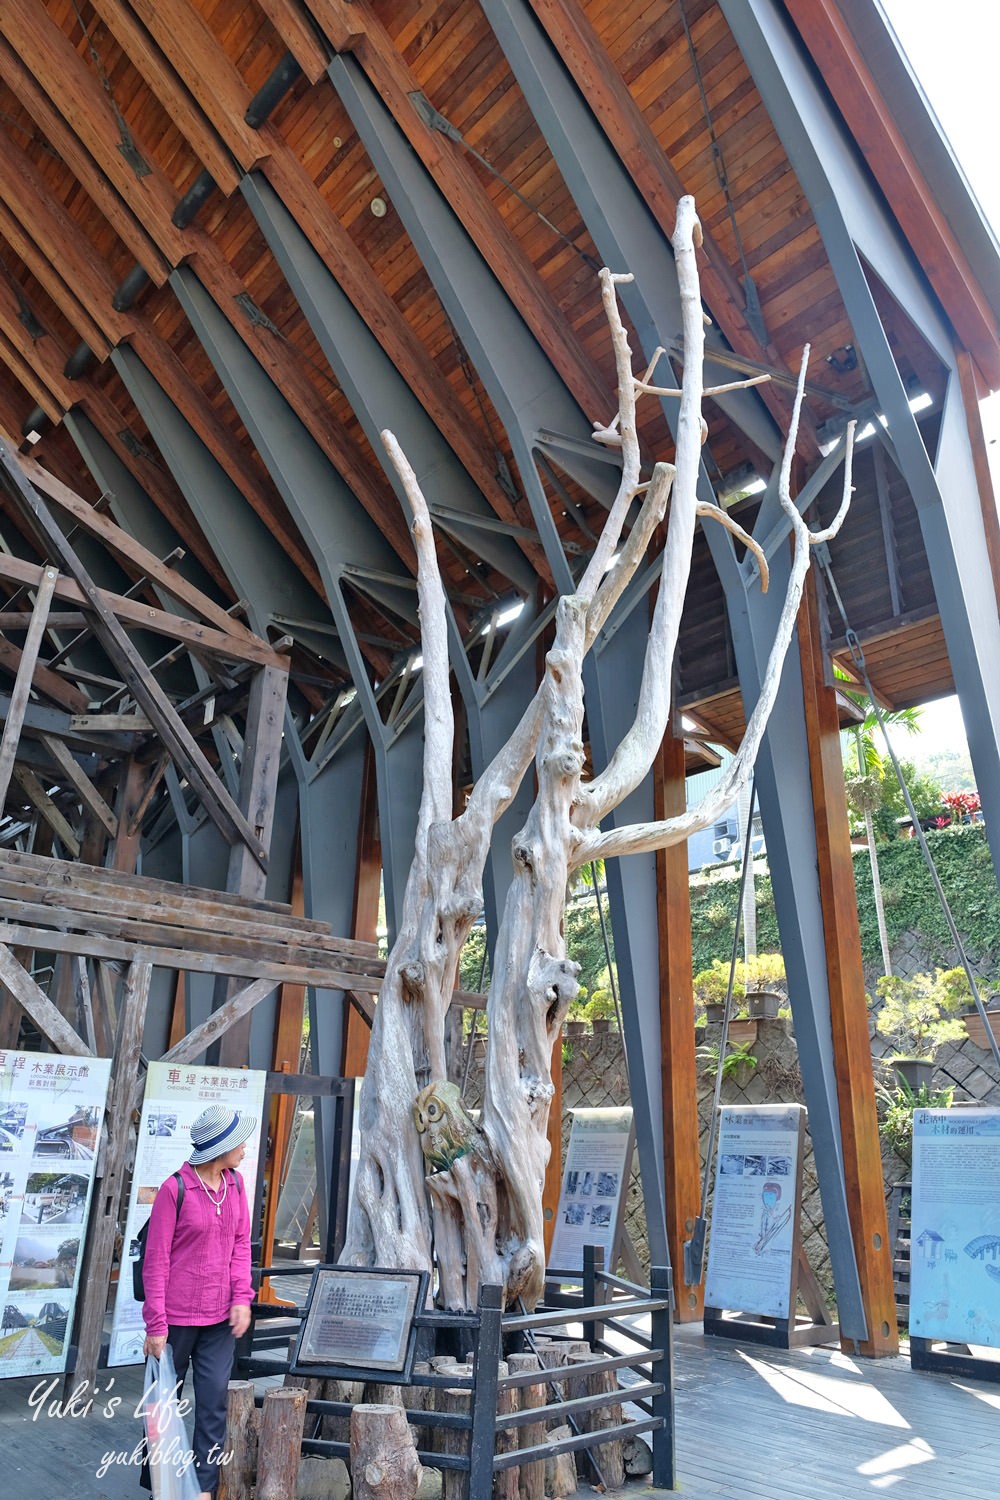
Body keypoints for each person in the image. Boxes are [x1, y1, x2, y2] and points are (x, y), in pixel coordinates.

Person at [141, 1106, 257, 1499]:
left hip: (220, 1321)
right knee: (162, 1410)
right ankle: (164, 1486)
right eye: (238, 1141)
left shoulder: (237, 1185)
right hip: (174, 1321)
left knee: (212, 1407)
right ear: (220, 1146)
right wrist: (156, 1325)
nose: (244, 1148)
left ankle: (203, 1490)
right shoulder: (174, 1190)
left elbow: (241, 1246)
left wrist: (242, 1298)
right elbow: (155, 1263)